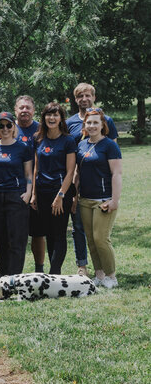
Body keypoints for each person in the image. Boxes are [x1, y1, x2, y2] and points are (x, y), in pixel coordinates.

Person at [66, 83, 118, 275]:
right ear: (76, 99)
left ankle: (105, 271)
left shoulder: (107, 120)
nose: (84, 99)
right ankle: (83, 265)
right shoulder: (70, 122)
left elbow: (113, 154)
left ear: (93, 97)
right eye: (80, 96)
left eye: (88, 95)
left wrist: (113, 193)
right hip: (80, 184)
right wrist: (73, 191)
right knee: (79, 228)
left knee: (99, 235)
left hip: (102, 187)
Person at [74, 108, 122, 288]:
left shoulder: (110, 145)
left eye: (96, 122)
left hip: (104, 200)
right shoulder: (81, 145)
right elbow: (77, 173)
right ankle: (99, 275)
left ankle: (111, 276)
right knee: (91, 241)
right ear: (84, 125)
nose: (92, 126)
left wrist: (114, 200)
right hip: (85, 199)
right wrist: (74, 197)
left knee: (101, 238)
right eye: (89, 122)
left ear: (103, 125)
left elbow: (116, 174)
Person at [0, 112, 34, 277]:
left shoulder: (23, 147)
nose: (5, 129)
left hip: (16, 195)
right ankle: (2, 271)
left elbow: (29, 174)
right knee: (0, 237)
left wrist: (28, 193)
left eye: (8, 125)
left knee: (16, 239)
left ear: (14, 127)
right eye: (1, 125)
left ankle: (14, 275)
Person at [31, 103, 76, 275]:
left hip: (60, 192)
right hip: (42, 192)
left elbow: (70, 171)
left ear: (61, 119)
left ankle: (55, 272)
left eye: (56, 115)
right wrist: (34, 194)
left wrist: (61, 196)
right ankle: (52, 271)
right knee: (48, 232)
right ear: (44, 117)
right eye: (49, 115)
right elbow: (36, 167)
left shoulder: (68, 140)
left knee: (58, 233)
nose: (52, 118)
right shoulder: (38, 139)